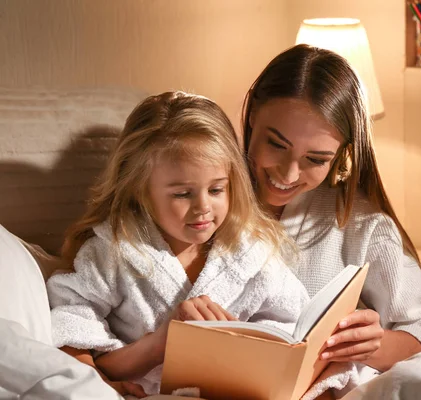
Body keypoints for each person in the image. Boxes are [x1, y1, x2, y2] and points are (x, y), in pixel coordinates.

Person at [46, 92, 309, 396]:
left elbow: (293, 326)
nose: (203, 207)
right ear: (139, 189)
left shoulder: (252, 251)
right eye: (183, 194)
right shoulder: (114, 251)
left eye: (216, 189)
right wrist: (156, 347)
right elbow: (70, 326)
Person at [242, 44, 421, 378]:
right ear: (253, 112)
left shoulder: (359, 223)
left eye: (315, 160)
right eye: (276, 144)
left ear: (341, 152)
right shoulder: (200, 197)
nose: (287, 175)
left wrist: (376, 345)